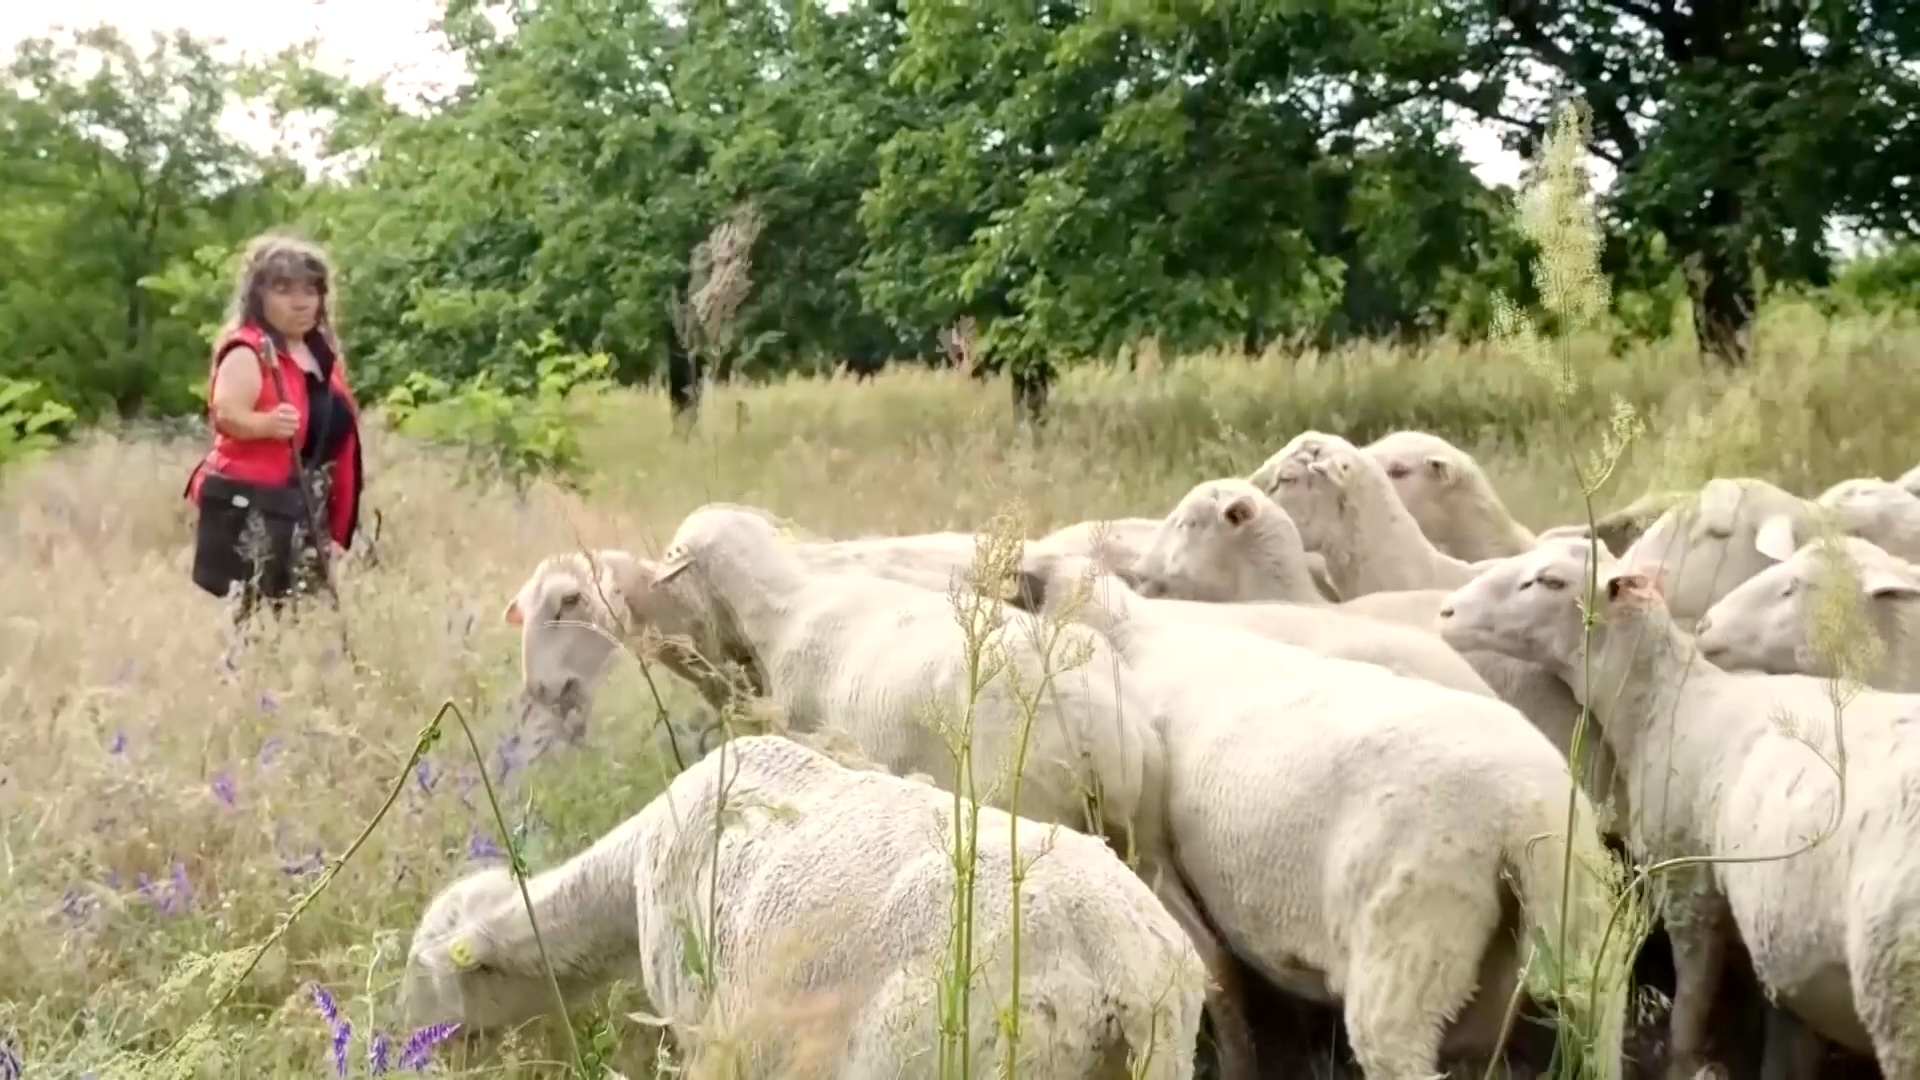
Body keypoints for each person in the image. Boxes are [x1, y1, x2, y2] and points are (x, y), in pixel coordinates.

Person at [183, 232, 364, 621]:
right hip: (255, 507)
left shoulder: (321, 354)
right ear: (258, 296)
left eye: (310, 290)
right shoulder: (249, 349)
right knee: (252, 619)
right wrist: (264, 423)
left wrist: (337, 524)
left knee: (303, 618)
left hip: (308, 508)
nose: (301, 302)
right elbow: (226, 413)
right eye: (284, 289)